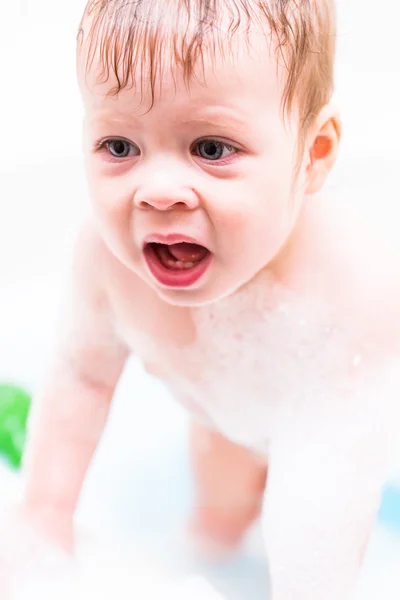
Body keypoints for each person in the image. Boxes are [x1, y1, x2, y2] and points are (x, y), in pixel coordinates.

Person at [14, 1, 400, 598]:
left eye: (212, 149)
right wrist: (40, 529)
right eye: (119, 147)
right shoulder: (104, 259)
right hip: (237, 414)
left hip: (360, 419)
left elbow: (330, 483)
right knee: (212, 532)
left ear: (315, 153)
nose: (158, 191)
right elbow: (82, 378)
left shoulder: (352, 297)